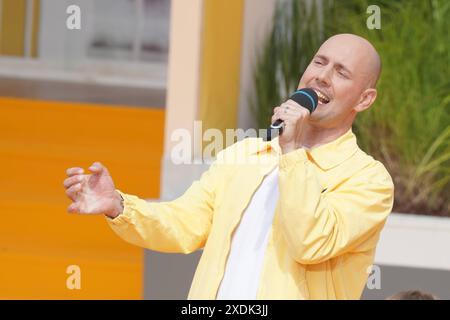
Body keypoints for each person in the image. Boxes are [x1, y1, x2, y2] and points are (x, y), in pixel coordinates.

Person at [63, 33, 394, 300]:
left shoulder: (369, 181)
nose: (322, 76)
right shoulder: (247, 154)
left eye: (341, 72)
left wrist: (291, 150)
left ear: (364, 99)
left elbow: (311, 243)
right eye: (319, 62)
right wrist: (118, 205)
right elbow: (184, 223)